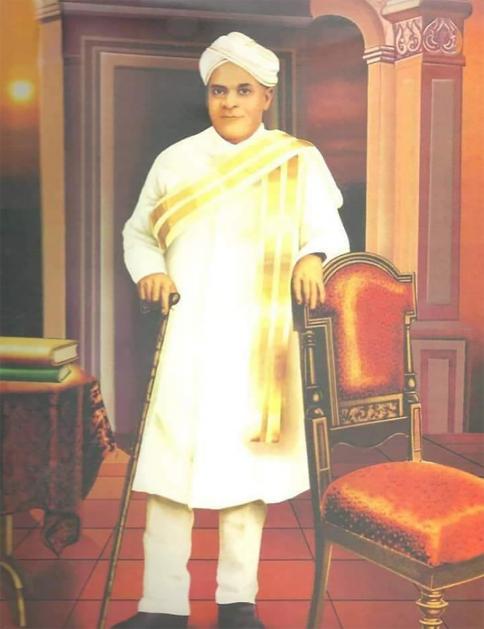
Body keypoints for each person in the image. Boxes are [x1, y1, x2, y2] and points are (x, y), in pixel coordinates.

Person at [115, 32, 349, 629]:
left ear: (266, 96)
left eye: (244, 90)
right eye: (219, 90)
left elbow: (328, 231)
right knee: (172, 468)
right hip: (188, 333)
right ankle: (161, 605)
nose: (230, 101)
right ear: (208, 94)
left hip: (258, 338)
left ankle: (237, 603)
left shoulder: (297, 159)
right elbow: (138, 232)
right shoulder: (175, 160)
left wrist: (312, 256)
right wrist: (150, 270)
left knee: (245, 472)